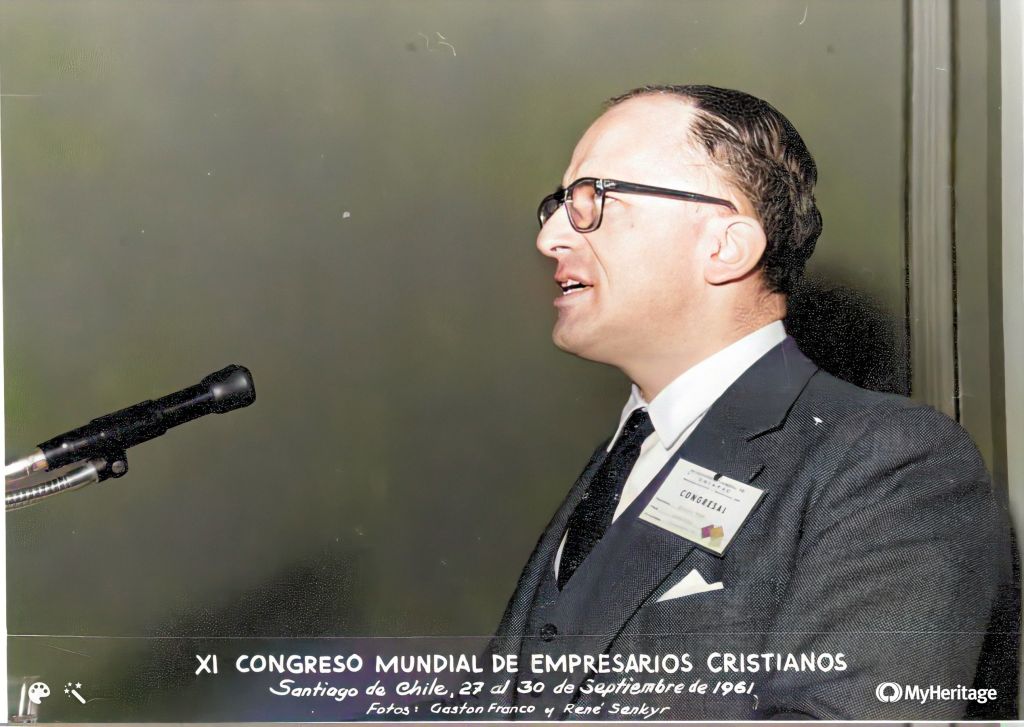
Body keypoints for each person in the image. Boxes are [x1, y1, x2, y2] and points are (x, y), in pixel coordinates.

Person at [490, 85, 1016, 720]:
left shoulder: (891, 461)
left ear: (725, 246)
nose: (550, 237)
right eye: (558, 205)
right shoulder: (623, 457)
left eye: (593, 199)